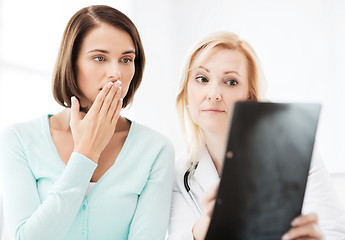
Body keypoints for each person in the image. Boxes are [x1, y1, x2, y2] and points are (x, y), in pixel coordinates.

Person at [0, 5, 174, 240]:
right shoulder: (20, 139)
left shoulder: (155, 149)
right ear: (71, 62)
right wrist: (86, 154)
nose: (116, 73)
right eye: (100, 58)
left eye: (126, 59)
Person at [168, 32, 345, 240]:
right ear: (186, 93)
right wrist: (207, 225)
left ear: (249, 96)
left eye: (231, 82)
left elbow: (333, 232)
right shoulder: (179, 175)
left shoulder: (296, 152)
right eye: (202, 79)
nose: (214, 94)